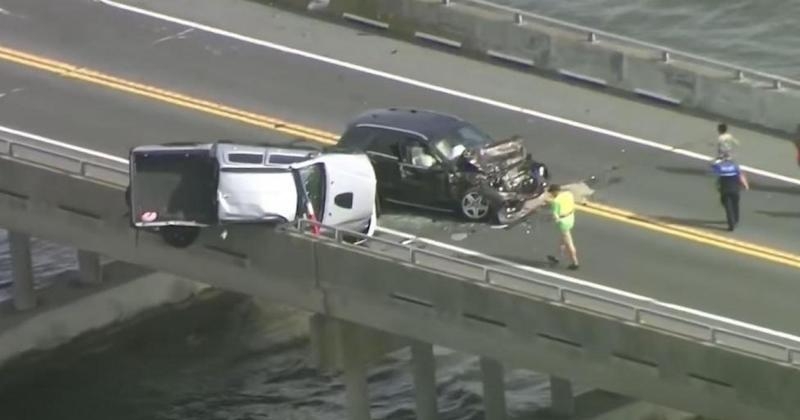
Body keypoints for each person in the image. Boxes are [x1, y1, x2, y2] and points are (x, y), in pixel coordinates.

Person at [545, 184, 579, 270]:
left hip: (564, 222)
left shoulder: (556, 202)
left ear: (555, 192)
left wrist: (553, 219)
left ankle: (575, 262)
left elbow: (555, 216)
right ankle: (557, 257)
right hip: (571, 217)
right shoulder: (568, 194)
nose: (551, 195)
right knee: (563, 240)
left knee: (569, 243)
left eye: (551, 193)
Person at [711, 158, 749, 231]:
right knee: (735, 205)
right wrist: (745, 185)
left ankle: (731, 223)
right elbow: (741, 176)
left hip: (725, 190)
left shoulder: (720, 168)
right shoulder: (735, 167)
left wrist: (717, 159)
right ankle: (736, 220)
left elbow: (712, 166)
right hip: (735, 190)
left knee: (727, 206)